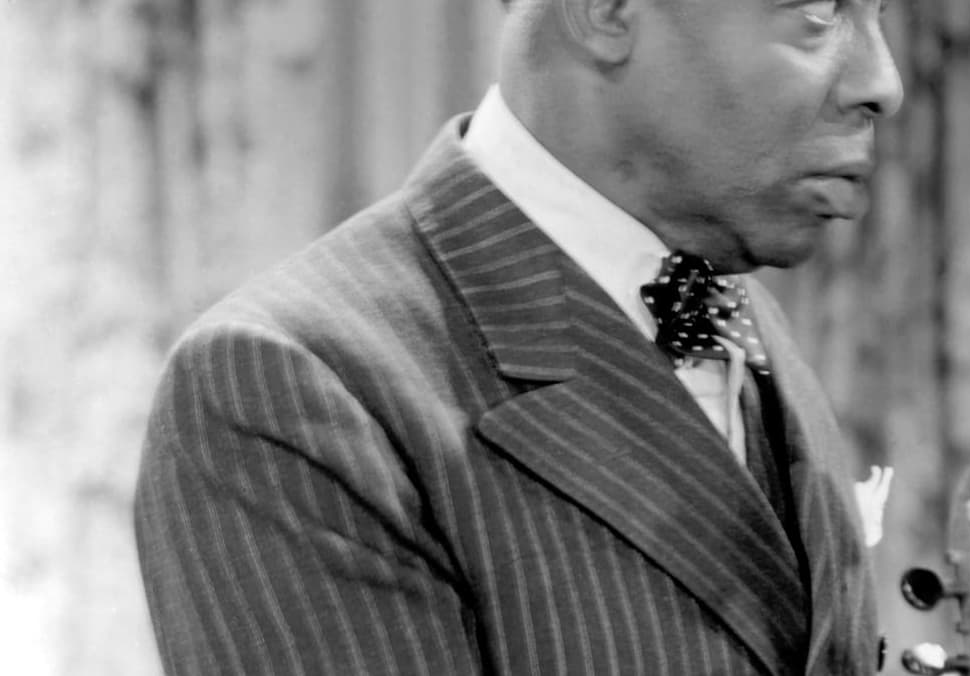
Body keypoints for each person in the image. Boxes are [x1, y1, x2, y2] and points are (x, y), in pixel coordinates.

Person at [132, 0, 902, 673]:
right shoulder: (287, 381)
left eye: (881, 15)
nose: (884, 83)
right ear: (606, 10)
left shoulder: (746, 318)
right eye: (818, 10)